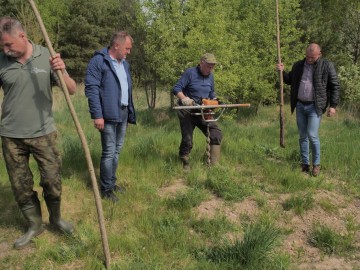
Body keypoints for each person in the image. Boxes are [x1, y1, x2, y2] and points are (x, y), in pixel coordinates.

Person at [0, 17, 76, 249]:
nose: (5, 50)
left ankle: (56, 219)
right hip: (11, 134)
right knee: (20, 185)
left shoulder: (47, 56)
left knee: (52, 180)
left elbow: (71, 90)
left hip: (44, 132)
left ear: (22, 36)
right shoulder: (1, 60)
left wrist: (62, 71)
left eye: (8, 45)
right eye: (2, 46)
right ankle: (35, 224)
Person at [85, 31, 136, 202]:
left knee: (117, 150)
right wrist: (97, 115)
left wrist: (129, 113)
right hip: (106, 115)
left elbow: (126, 90)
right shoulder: (99, 61)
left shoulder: (124, 64)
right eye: (127, 48)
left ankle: (112, 183)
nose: (129, 52)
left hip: (122, 112)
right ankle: (106, 189)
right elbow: (91, 89)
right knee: (109, 152)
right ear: (117, 45)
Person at [276, 43, 340, 176]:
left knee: (312, 134)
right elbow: (289, 80)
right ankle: (305, 164)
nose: (309, 59)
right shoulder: (298, 65)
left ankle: (316, 164)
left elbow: (334, 86)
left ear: (319, 55)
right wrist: (282, 72)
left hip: (315, 106)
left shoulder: (326, 65)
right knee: (302, 136)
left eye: (312, 57)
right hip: (300, 105)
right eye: (307, 56)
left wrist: (333, 106)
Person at [173, 53, 222, 170]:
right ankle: (185, 162)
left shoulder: (210, 76)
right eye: (208, 66)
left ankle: (214, 165)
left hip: (203, 111)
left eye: (212, 67)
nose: (210, 69)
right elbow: (176, 88)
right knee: (188, 139)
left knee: (216, 134)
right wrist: (184, 99)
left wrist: (214, 100)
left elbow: (211, 93)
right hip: (188, 111)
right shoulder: (190, 73)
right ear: (201, 63)